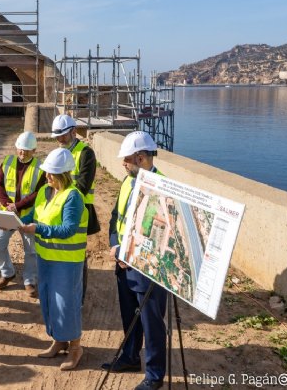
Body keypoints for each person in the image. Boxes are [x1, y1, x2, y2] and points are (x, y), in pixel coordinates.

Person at [101, 131, 169, 390]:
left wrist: (128, 255)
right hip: (123, 263)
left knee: (152, 324)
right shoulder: (128, 181)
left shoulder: (161, 188)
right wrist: (115, 245)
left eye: (127, 159)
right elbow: (115, 217)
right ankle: (130, 357)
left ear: (141, 158)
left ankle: (154, 376)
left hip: (146, 270)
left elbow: (159, 235)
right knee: (129, 316)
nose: (123, 163)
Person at [19, 148, 88, 371]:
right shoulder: (44, 192)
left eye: (52, 173)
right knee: (48, 300)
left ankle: (75, 347)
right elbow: (33, 216)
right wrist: (16, 221)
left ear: (64, 174)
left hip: (66, 261)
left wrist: (38, 229)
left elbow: (68, 229)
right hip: (46, 257)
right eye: (47, 172)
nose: (47, 176)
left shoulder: (73, 196)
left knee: (66, 303)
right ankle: (59, 340)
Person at [51, 114, 101, 304]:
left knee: (78, 255)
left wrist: (62, 199)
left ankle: (79, 296)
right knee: (61, 251)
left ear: (73, 132)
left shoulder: (86, 153)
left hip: (80, 211)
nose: (59, 140)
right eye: (57, 136)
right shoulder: (59, 151)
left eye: (62, 135)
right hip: (59, 209)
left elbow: (83, 185)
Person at [0, 131, 46, 298]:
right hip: (8, 213)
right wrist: (6, 204)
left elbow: (38, 193)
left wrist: (18, 205)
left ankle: (29, 280)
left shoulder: (40, 168)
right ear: (16, 148)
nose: (23, 153)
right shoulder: (7, 162)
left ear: (34, 150)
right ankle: (7, 272)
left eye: (27, 150)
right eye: (21, 149)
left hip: (28, 215)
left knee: (31, 250)